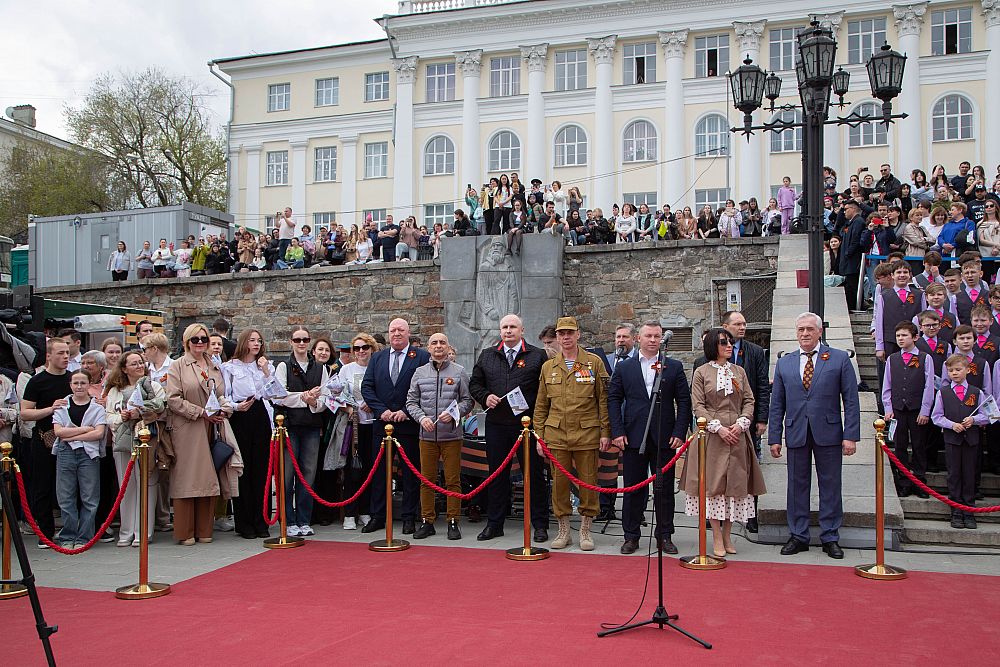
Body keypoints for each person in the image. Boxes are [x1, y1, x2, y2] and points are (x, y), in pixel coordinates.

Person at [768, 313, 860, 559]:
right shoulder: (785, 363)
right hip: (796, 431)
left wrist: (850, 435)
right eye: (801, 329)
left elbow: (851, 400)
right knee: (796, 486)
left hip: (829, 432)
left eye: (810, 329)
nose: (805, 333)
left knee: (830, 485)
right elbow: (777, 404)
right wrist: (774, 437)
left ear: (820, 331)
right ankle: (798, 535)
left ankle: (830, 537)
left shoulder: (839, 359)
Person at [680, 329, 765, 558]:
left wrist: (742, 422)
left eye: (730, 342)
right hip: (712, 435)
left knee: (734, 486)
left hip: (737, 433)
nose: (729, 345)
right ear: (712, 346)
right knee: (713, 487)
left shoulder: (739, 371)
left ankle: (728, 534)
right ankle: (716, 535)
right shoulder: (701, 372)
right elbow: (698, 405)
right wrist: (717, 427)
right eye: (723, 342)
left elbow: (749, 399)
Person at [608, 321, 691, 555]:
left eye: (657, 336)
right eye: (648, 336)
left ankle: (665, 535)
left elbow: (684, 401)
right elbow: (613, 399)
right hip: (633, 436)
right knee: (633, 488)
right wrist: (617, 431)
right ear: (638, 339)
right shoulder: (625, 367)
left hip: (665, 436)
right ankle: (631, 536)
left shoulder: (673, 366)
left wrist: (679, 432)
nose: (653, 340)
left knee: (664, 490)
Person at [469, 314, 550, 542]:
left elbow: (544, 390)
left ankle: (540, 524)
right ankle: (495, 524)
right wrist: (485, 397)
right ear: (500, 331)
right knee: (497, 475)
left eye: (513, 326)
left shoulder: (537, 355)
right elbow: (475, 384)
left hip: (527, 425)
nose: (508, 330)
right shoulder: (487, 355)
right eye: (504, 327)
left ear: (522, 330)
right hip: (497, 425)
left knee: (534, 475)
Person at [533, 316, 610, 551]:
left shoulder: (593, 363)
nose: (565, 337)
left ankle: (585, 529)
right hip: (556, 434)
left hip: (587, 432)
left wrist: (605, 432)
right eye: (561, 333)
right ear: (557, 337)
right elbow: (541, 405)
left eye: (570, 333)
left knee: (588, 481)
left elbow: (603, 401)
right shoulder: (548, 367)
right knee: (559, 483)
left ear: (578, 334)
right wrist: (539, 436)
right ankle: (563, 530)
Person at [164, 323, 236, 546]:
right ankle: (185, 530)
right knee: (188, 478)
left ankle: (205, 528)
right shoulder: (178, 366)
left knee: (209, 476)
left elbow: (221, 393)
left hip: (212, 426)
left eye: (203, 339)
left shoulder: (214, 365)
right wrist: (200, 412)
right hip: (188, 426)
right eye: (195, 339)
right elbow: (173, 399)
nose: (200, 343)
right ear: (186, 342)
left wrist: (225, 408)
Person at [360, 319, 431, 535]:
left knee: (410, 474)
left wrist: (406, 411)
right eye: (393, 330)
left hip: (408, 425)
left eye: (401, 330)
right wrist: (381, 410)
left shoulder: (421, 357)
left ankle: (409, 517)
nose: (396, 333)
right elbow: (367, 386)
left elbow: (425, 389)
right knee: (379, 473)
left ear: (408, 333)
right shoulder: (378, 357)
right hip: (382, 425)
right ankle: (378, 516)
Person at [406, 333, 473, 540]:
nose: (438, 346)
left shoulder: (459, 371)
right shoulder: (419, 372)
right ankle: (427, 521)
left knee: (452, 480)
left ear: (448, 347)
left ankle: (453, 521)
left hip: (451, 436)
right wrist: (421, 418)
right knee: (427, 480)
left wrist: (454, 413)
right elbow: (411, 402)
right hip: (427, 436)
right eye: (434, 343)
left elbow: (467, 401)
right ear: (428, 348)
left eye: (442, 342)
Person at [271, 326, 328, 537]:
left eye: (305, 339)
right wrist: (304, 397)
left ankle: (304, 519)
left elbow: (325, 398)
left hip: (311, 426)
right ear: (291, 342)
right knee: (287, 474)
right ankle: (288, 519)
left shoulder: (320, 368)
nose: (301, 343)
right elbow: (279, 396)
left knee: (308, 474)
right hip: (290, 426)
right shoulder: (283, 366)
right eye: (297, 340)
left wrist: (313, 402)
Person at [104, 351, 166, 547]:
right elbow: (108, 415)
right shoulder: (115, 391)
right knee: (126, 485)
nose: (139, 366)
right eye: (134, 363)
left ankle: (143, 531)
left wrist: (141, 413)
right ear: (124, 368)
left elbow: (161, 410)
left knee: (147, 483)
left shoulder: (153, 386)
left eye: (141, 362)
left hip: (147, 439)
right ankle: (126, 531)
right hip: (123, 440)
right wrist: (121, 417)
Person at [221, 329, 274, 540]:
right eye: (252, 340)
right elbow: (225, 395)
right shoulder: (230, 367)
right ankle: (244, 522)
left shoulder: (263, 366)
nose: (256, 344)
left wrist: (266, 371)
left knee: (261, 469)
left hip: (260, 413)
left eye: (259, 340)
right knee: (244, 469)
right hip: (241, 415)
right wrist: (236, 406)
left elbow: (274, 392)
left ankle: (262, 520)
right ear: (244, 342)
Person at [20, 338, 72, 547]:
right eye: (60, 353)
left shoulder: (73, 379)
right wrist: (51, 409)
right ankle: (45, 533)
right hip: (44, 438)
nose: (65, 357)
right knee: (42, 486)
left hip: (71, 439)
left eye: (67, 352)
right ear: (49, 356)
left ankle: (72, 530)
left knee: (70, 487)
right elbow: (25, 413)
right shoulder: (37, 381)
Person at [51, 370, 107, 549]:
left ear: (89, 384)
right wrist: (85, 429)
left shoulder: (97, 407)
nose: (79, 386)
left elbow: (98, 433)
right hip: (65, 452)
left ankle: (85, 537)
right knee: (65, 495)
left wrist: (71, 435)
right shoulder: (62, 406)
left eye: (83, 383)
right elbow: (59, 432)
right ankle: (68, 536)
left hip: (89, 454)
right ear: (70, 385)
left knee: (89, 496)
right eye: (76, 383)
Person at [932, 355, 988, 529]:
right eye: (951, 371)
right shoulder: (943, 393)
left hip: (971, 441)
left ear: (967, 370)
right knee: (954, 474)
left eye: (958, 369)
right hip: (952, 441)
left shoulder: (977, 392)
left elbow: (987, 415)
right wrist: (951, 425)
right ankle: (956, 510)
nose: (954, 373)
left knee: (969, 474)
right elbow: (936, 416)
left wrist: (974, 420)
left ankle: (969, 511)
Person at [881, 322, 935, 499]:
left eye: (904, 335)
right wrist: (888, 407)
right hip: (898, 409)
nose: (900, 339)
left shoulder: (925, 358)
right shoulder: (892, 359)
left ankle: (919, 481)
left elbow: (929, 386)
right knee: (900, 446)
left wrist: (925, 410)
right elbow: (887, 385)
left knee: (919, 445)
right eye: (898, 336)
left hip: (917, 409)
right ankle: (903, 481)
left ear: (915, 337)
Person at [338, 333, 380, 530]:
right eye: (357, 348)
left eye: (365, 347)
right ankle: (349, 513)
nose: (361, 351)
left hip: (374, 425)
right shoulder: (346, 370)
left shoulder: (377, 368)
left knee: (370, 469)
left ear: (372, 349)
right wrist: (348, 408)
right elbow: (335, 395)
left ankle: (365, 510)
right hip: (353, 425)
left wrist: (374, 404)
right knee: (352, 470)